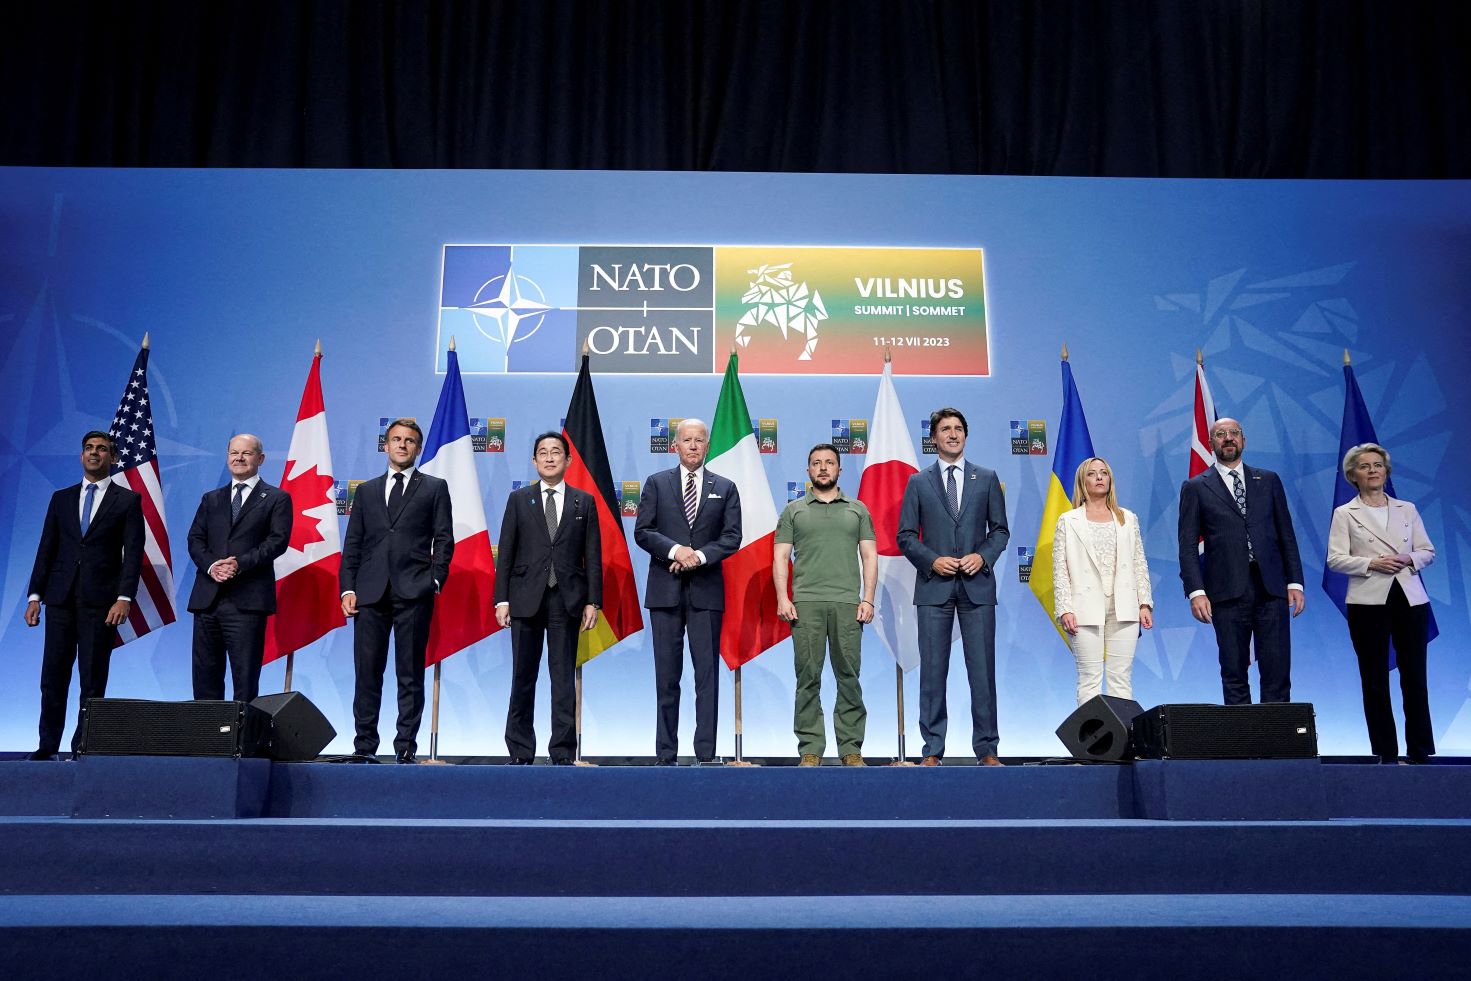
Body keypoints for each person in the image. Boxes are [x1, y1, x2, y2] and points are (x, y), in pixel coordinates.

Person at [897, 408, 1010, 766]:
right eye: (945, 429)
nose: (952, 434)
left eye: (958, 428)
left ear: (966, 435)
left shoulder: (987, 478)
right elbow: (905, 536)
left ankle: (988, 749)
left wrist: (983, 556)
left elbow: (1001, 531)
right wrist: (931, 560)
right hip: (934, 588)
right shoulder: (918, 482)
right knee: (932, 672)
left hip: (977, 587)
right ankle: (932, 750)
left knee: (982, 671)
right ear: (933, 438)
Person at [23, 431, 144, 760]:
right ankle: (47, 745)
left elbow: (133, 555)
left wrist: (125, 598)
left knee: (92, 681)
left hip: (101, 603)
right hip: (59, 600)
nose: (94, 453)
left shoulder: (127, 501)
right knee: (52, 678)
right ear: (81, 456)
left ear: (112, 457)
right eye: (89, 448)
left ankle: (83, 747)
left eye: (102, 449)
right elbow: (46, 549)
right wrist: (35, 596)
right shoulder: (61, 498)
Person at [340, 418, 453, 764]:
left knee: (409, 673)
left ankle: (405, 747)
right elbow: (354, 544)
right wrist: (348, 588)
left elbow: (444, 540)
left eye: (409, 441)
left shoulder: (434, 487)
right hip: (370, 594)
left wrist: (433, 580)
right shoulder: (367, 490)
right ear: (385, 445)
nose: (402, 445)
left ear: (417, 449)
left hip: (413, 592)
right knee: (367, 673)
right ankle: (364, 747)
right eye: (396, 439)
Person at [633, 418, 742, 765]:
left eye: (699, 440)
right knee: (667, 677)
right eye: (687, 440)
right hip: (665, 593)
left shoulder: (725, 487)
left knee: (706, 678)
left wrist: (699, 556)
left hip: (706, 593)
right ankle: (666, 755)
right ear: (675, 446)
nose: (693, 446)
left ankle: (706, 755)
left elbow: (731, 537)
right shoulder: (656, 483)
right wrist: (676, 551)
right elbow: (643, 530)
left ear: (707, 446)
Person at [1177, 417, 1305, 704]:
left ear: (1243, 440)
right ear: (1211, 443)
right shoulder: (1196, 486)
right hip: (1226, 590)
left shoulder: (1269, 479)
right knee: (1234, 670)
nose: (1228, 438)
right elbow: (1187, 545)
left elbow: (1286, 534)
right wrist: (1196, 591)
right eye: (1220, 434)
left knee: (1277, 668)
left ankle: (1277, 743)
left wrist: (1295, 581)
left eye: (1234, 433)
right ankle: (1244, 743)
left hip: (1271, 587)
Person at [494, 432, 602, 765]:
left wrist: (592, 601)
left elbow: (593, 556)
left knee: (562, 679)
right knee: (522, 677)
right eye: (542, 452)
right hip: (525, 599)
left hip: (566, 600)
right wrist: (502, 600)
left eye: (556, 452)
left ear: (568, 460)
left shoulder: (583, 501)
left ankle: (563, 753)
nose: (550, 457)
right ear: (534, 461)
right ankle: (520, 751)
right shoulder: (519, 499)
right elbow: (507, 553)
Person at [1326, 442, 1436, 764]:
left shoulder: (1408, 509)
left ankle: (1419, 752)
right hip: (1368, 601)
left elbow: (1428, 551)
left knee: (1415, 676)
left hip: (1410, 599)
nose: (1373, 470)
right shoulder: (1345, 513)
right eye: (1365, 466)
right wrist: (1371, 564)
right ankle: (1386, 754)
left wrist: (1408, 558)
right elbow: (1335, 559)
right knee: (1374, 678)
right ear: (1353, 476)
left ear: (1386, 471)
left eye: (1377, 465)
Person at [774, 444, 878, 767]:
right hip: (805, 605)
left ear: (839, 470)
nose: (823, 468)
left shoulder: (857, 509)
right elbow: (779, 557)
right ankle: (810, 749)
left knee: (849, 676)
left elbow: (870, 556)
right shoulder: (794, 510)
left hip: (848, 604)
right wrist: (782, 597)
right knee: (808, 677)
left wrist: (868, 598)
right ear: (808, 471)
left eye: (829, 463)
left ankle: (850, 748)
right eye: (816, 463)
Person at [185, 434, 292, 703]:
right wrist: (212, 567)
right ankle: (209, 740)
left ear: (260, 459)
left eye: (246, 453)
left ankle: (239, 743)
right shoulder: (211, 499)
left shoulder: (276, 498)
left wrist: (238, 564)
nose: (239, 458)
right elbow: (195, 539)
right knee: (205, 676)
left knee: (244, 679)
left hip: (247, 601)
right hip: (208, 599)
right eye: (234, 452)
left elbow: (277, 542)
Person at [1052, 457, 1153, 705]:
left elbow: (1139, 562)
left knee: (1121, 678)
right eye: (1092, 473)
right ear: (1082, 481)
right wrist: (1065, 608)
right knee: (1089, 679)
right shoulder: (1069, 520)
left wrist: (1144, 603)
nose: (1099, 477)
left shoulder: (1128, 518)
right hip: (1084, 608)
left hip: (1124, 608)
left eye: (1104, 473)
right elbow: (1060, 569)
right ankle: (1091, 743)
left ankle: (1124, 741)